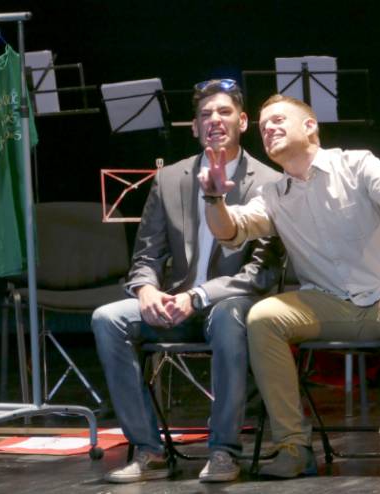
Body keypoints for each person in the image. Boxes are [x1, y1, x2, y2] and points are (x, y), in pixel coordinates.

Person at [199, 94, 380, 482]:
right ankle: (293, 447)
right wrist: (214, 198)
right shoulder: (273, 195)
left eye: (278, 120)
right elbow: (231, 230)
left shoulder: (356, 165)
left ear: (310, 126)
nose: (268, 129)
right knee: (263, 317)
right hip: (327, 304)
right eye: (263, 126)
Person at [92, 79, 283, 484]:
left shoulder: (269, 181)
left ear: (243, 122)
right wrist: (146, 289)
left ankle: (224, 450)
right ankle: (149, 450)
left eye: (224, 112)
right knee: (107, 318)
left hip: (228, 304)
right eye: (205, 114)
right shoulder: (169, 179)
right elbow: (146, 254)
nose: (214, 120)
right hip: (173, 303)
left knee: (230, 316)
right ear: (194, 127)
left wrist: (199, 296)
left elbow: (261, 272)